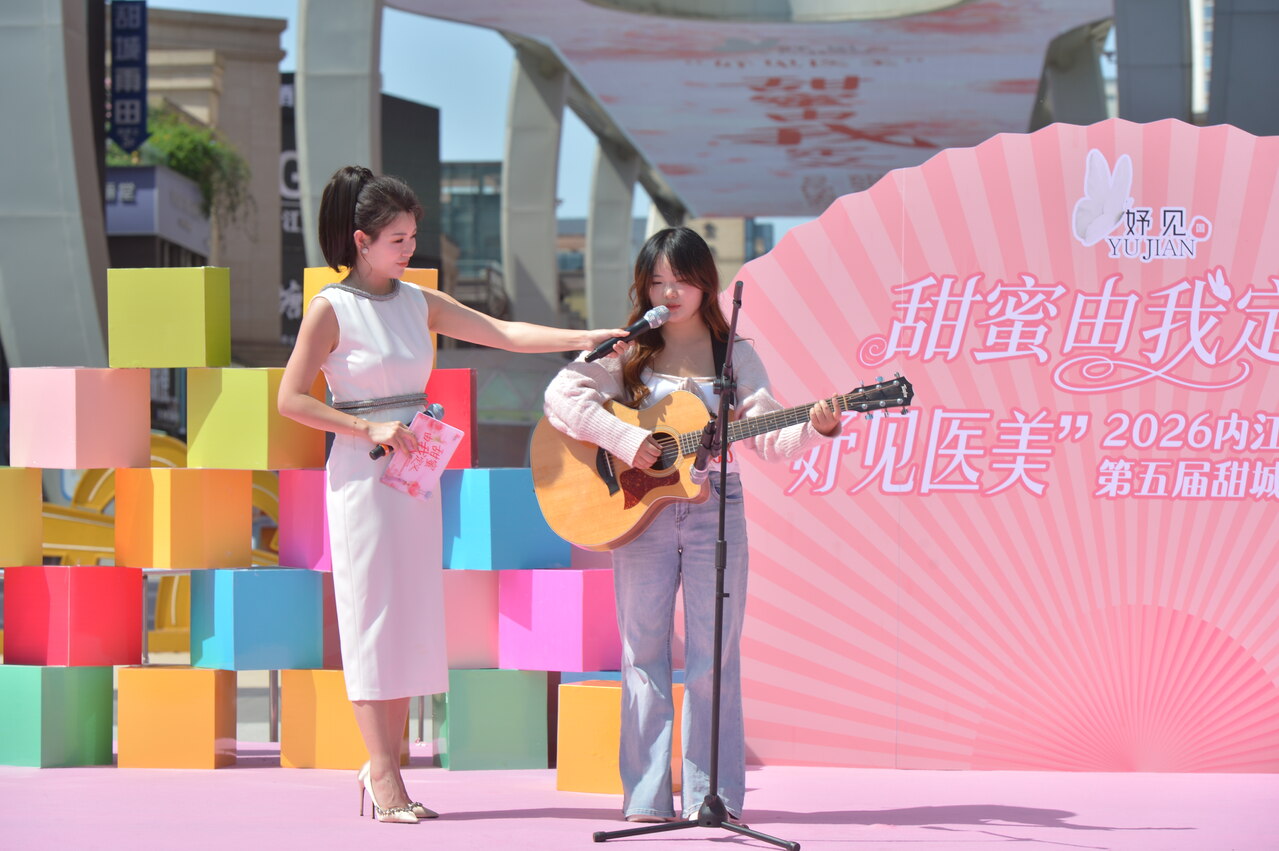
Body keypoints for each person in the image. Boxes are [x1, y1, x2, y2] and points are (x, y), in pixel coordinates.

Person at [278, 165, 622, 824]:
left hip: (415, 475)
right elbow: (290, 399)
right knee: (371, 615)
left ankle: (388, 766)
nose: (410, 249)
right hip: (362, 473)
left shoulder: (418, 301)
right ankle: (383, 771)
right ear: (361, 240)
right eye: (398, 239)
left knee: (409, 614)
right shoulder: (330, 308)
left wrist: (585, 338)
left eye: (413, 237)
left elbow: (504, 333)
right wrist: (366, 426)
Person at [542, 226, 842, 824]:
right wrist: (625, 438)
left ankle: (714, 797)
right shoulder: (630, 349)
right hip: (637, 511)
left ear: (706, 283)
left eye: (680, 281)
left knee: (714, 656)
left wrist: (817, 426)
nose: (669, 293)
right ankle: (646, 797)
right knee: (642, 650)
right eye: (657, 282)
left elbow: (770, 438)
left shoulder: (735, 355)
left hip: (716, 507)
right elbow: (561, 397)